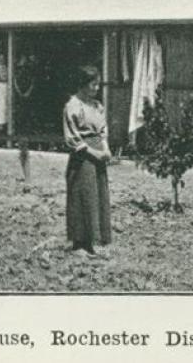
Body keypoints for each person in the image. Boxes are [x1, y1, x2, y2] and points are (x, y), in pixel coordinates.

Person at [63, 65, 112, 256]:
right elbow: (73, 139)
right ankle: (80, 243)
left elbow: (102, 131)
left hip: (99, 153)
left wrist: (105, 149)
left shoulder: (97, 106)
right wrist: (94, 153)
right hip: (83, 157)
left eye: (98, 84)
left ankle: (97, 240)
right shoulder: (72, 106)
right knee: (83, 196)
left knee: (98, 196)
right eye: (93, 84)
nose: (96, 88)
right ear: (83, 84)